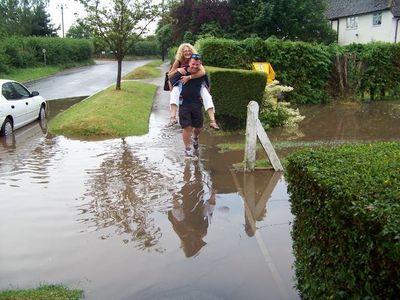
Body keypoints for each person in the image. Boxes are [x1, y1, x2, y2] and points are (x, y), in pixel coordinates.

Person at [166, 43, 220, 130]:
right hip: (182, 83)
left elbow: (202, 72)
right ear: (181, 53)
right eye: (185, 51)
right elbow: (169, 75)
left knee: (207, 96)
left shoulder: (195, 59)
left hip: (196, 83)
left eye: (189, 50)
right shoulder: (178, 61)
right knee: (174, 94)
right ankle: (173, 118)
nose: (187, 52)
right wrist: (177, 70)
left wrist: (189, 77)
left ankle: (213, 121)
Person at [168, 161, 216, 257]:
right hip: (197, 203)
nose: (201, 241)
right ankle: (196, 164)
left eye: (198, 244)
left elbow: (177, 213)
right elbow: (207, 213)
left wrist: (173, 195)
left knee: (186, 183)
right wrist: (213, 195)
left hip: (186, 204)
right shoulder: (202, 232)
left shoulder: (183, 232)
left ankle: (187, 164)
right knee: (198, 182)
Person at [171, 54, 208, 157]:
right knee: (187, 127)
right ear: (189, 63)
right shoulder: (182, 72)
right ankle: (187, 150)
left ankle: (195, 138)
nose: (195, 66)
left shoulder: (203, 74)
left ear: (200, 64)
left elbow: (207, 86)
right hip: (184, 104)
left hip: (197, 104)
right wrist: (175, 95)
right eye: (193, 64)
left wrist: (205, 97)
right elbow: (173, 84)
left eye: (197, 64)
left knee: (198, 128)